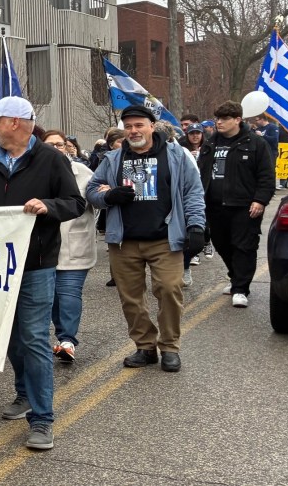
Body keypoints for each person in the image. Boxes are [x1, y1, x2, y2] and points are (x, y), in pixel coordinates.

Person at [0, 96, 84, 451]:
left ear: (14, 123)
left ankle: (42, 419)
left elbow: (75, 203)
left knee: (33, 338)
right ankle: (24, 393)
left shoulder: (52, 159)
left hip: (36, 264)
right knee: (10, 337)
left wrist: (48, 206)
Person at [86, 105, 205, 373]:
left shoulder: (176, 155)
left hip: (165, 238)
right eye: (128, 126)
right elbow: (91, 190)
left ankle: (170, 347)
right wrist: (108, 196)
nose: (133, 131)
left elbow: (193, 192)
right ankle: (145, 346)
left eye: (139, 125)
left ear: (152, 126)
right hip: (124, 240)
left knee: (169, 290)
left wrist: (196, 226)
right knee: (131, 298)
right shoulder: (113, 159)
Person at [199, 102, 275, 307]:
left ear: (237, 120)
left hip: (244, 206)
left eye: (224, 119)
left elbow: (266, 175)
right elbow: (202, 172)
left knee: (243, 246)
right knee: (221, 243)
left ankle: (241, 288)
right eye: (217, 118)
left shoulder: (255, 143)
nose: (219, 122)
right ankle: (235, 277)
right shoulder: (210, 143)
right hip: (214, 205)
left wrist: (260, 200)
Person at [41, 131, 97, 363]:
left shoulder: (82, 172)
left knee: (69, 293)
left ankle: (67, 341)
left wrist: (106, 193)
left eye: (60, 145)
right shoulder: (34, 173)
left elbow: (97, 200)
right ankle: (57, 337)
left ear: (67, 147)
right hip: (43, 247)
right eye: (50, 145)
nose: (56, 149)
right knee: (51, 297)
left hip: (74, 245)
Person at [179, 123, 212, 283]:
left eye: (198, 133)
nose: (195, 136)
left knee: (202, 225)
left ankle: (206, 243)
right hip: (184, 194)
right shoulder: (181, 149)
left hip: (203, 191)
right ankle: (186, 264)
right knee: (186, 233)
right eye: (192, 133)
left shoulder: (208, 148)